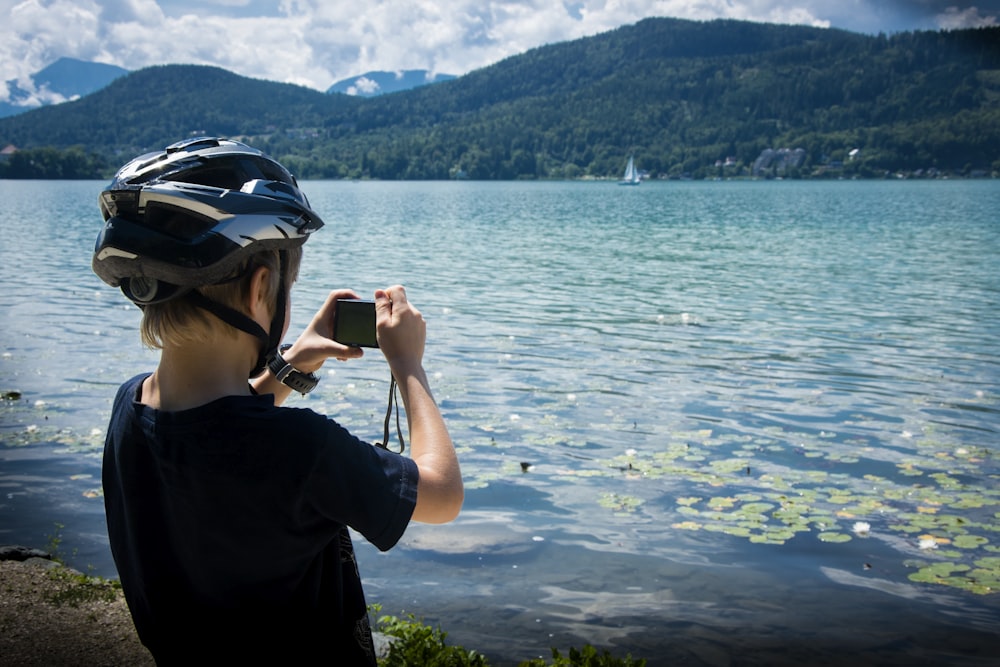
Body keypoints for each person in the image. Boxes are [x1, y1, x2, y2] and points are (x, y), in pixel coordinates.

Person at [91, 137, 463, 665]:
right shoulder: (304, 451)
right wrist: (408, 365)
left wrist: (295, 362)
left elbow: (220, 432)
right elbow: (443, 496)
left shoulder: (130, 407)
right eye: (290, 280)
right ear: (260, 287)